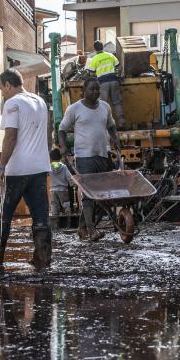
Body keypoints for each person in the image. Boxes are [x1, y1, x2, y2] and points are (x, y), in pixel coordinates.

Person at [0, 69, 52, 268]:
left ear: (8, 85)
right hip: (39, 168)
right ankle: (43, 257)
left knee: (2, 215)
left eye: (1, 89)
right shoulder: (40, 101)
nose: (2, 93)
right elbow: (48, 133)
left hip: (16, 170)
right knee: (40, 216)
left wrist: (1, 167)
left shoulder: (12, 103)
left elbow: (10, 137)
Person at [58, 77, 120, 242]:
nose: (95, 92)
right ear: (83, 91)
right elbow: (62, 129)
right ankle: (91, 230)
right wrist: (63, 147)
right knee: (88, 193)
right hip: (84, 157)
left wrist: (115, 138)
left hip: (103, 155)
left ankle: (82, 228)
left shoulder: (105, 107)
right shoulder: (74, 109)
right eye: (92, 89)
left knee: (100, 194)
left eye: (97, 89)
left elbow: (111, 126)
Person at [85, 40, 125, 129]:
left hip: (103, 84)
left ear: (95, 49)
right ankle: (121, 122)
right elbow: (119, 67)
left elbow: (91, 73)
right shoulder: (110, 55)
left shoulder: (94, 59)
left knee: (103, 105)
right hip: (114, 81)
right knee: (117, 102)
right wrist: (118, 76)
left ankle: (106, 125)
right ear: (103, 47)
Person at [49, 148, 74, 216]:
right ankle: (68, 217)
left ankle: (55, 219)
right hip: (63, 190)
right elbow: (70, 177)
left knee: (54, 205)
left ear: (51, 158)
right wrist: (72, 184)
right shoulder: (64, 167)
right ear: (60, 157)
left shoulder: (49, 167)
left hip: (53, 190)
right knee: (66, 204)